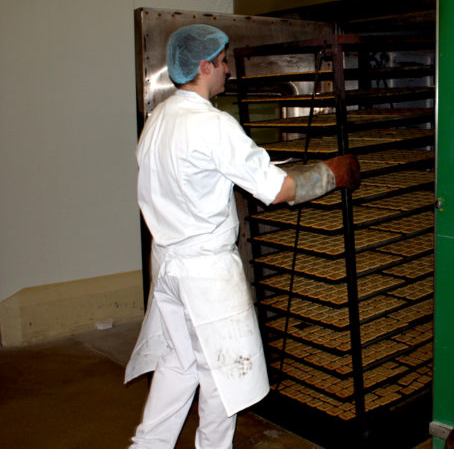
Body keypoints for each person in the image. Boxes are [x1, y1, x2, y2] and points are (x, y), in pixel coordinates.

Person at [125, 24, 359, 448]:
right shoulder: (213, 125)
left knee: (178, 365)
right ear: (204, 66)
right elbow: (278, 190)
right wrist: (332, 173)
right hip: (206, 273)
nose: (228, 70)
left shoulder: (157, 120)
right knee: (222, 375)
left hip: (167, 266)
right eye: (223, 62)